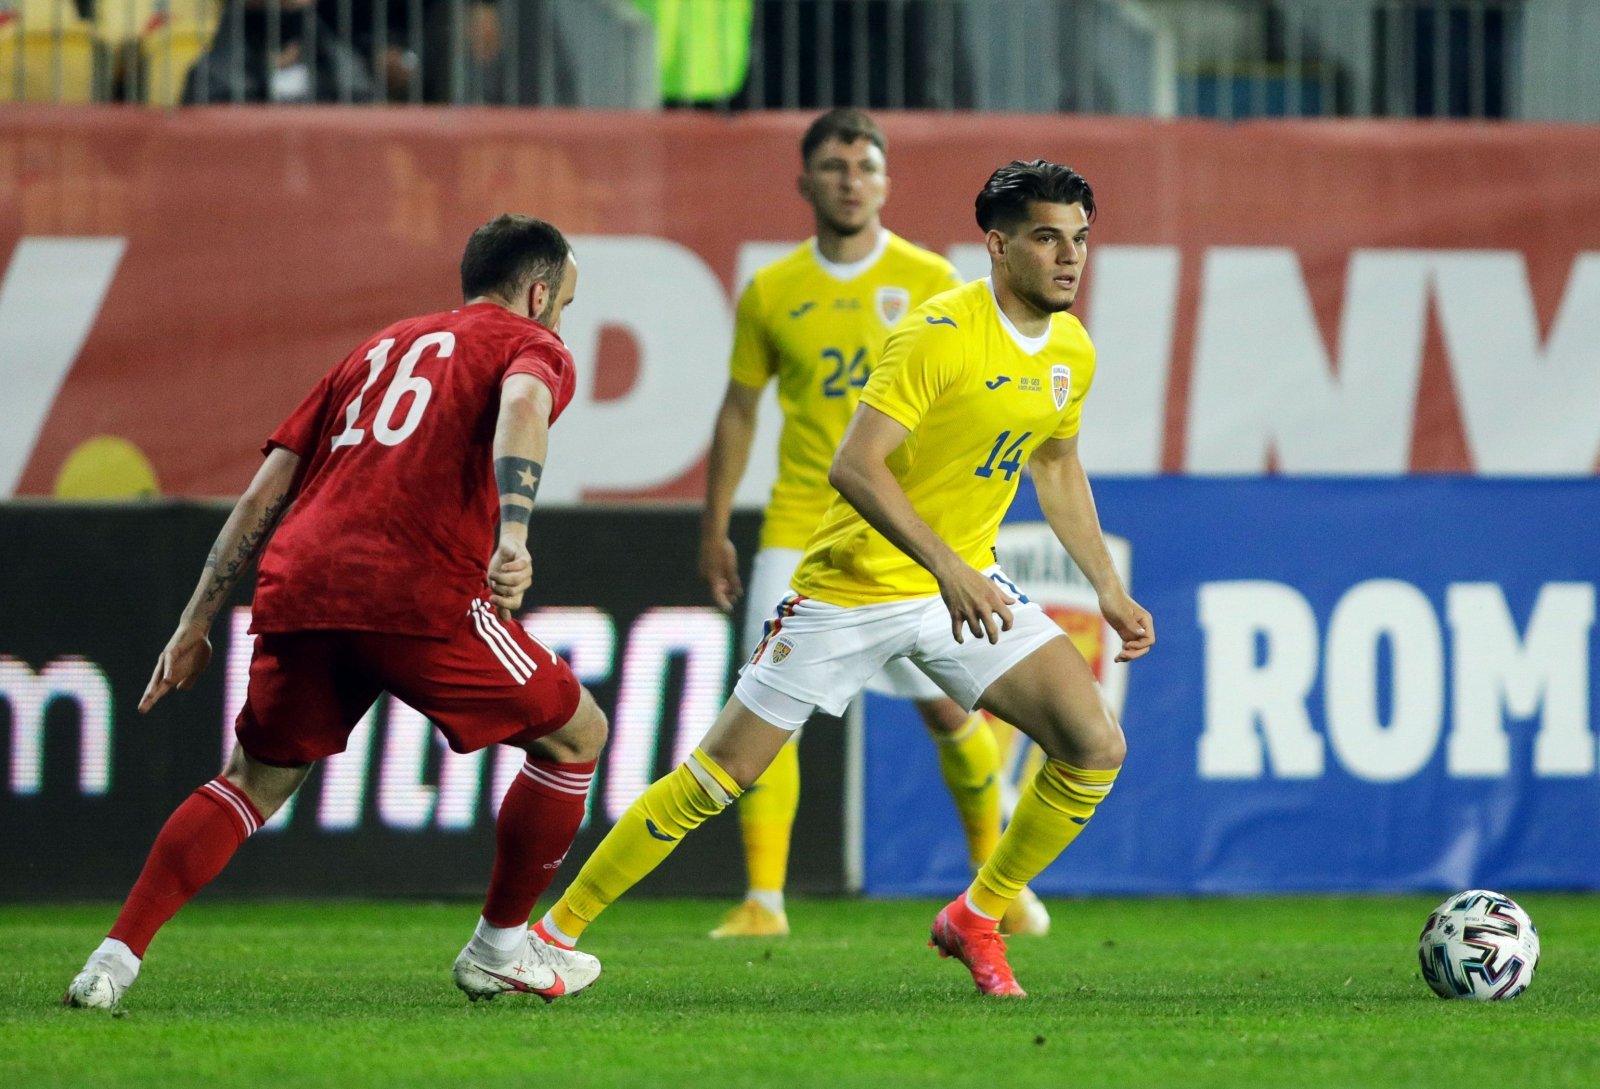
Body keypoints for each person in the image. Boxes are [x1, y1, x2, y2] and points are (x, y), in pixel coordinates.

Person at [535, 160, 1154, 998]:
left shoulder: (1071, 350)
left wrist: (1107, 590)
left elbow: (1056, 463)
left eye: (1080, 238)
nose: (1070, 256)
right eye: (1048, 237)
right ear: (999, 247)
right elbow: (854, 466)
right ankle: (551, 933)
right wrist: (946, 567)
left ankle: (979, 913)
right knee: (717, 777)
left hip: (957, 586)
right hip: (852, 587)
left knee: (1094, 744)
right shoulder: (941, 331)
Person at [64, 214, 607, 1009]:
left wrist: (192, 623)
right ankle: (498, 947)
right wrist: (515, 532)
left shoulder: (374, 351)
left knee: (249, 782)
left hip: (302, 584)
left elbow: (265, 491)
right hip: (417, 590)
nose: (563, 319)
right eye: (565, 302)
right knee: (578, 733)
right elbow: (524, 403)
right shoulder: (530, 344)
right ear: (537, 291)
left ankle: (112, 961)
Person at [699, 107, 1046, 940]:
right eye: (835, 166)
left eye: (865, 167)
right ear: (805, 181)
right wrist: (714, 525)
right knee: (761, 703)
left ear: (887, 182)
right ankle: (764, 900)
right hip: (797, 528)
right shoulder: (771, 290)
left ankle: (999, 889)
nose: (851, 180)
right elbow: (740, 412)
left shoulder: (932, 279)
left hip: (907, 528)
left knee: (950, 709)